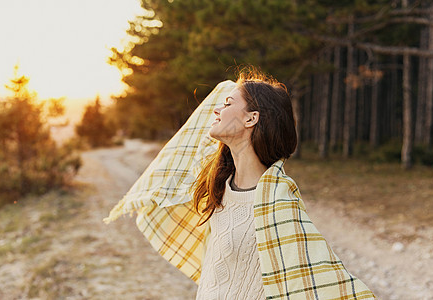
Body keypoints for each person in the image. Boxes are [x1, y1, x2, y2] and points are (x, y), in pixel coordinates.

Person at [104, 69, 376, 299]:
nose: (216, 109)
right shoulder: (217, 187)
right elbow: (186, 147)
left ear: (251, 118)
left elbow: (319, 279)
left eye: (228, 103)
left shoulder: (277, 200)